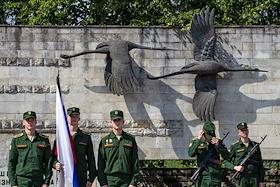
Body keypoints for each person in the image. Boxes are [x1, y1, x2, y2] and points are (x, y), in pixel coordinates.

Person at [52, 107, 97, 187]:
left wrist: (90, 179)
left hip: (81, 177)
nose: (74, 118)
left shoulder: (85, 137)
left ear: (79, 118)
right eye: (71, 116)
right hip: (65, 176)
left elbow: (91, 160)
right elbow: (53, 157)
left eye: (76, 116)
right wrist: (55, 164)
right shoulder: (61, 137)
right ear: (67, 118)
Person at [8, 111, 52, 187]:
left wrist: (46, 182)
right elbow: (11, 163)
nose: (30, 123)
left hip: (38, 181)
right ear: (23, 123)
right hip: (21, 181)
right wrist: (13, 183)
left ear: (36, 122)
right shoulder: (17, 140)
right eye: (27, 120)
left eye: (32, 120)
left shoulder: (44, 140)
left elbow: (48, 162)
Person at [98, 110, 140, 187]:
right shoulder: (104, 141)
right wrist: (103, 183)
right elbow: (100, 163)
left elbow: (135, 162)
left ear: (123, 121)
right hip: (110, 180)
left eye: (119, 120)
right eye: (115, 120)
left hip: (126, 181)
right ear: (111, 122)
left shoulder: (130, 140)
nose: (117, 122)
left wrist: (133, 182)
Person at [188, 121, 230, 187]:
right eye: (209, 136)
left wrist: (218, 145)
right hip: (203, 177)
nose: (211, 138)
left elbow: (227, 156)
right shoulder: (197, 142)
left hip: (215, 177)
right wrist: (198, 139)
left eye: (212, 136)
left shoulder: (218, 142)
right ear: (203, 133)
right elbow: (191, 154)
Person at [224, 122, 265, 187]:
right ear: (238, 132)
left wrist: (261, 181)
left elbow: (260, 164)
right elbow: (225, 162)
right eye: (242, 130)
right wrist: (235, 167)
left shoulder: (255, 145)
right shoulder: (234, 146)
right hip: (242, 178)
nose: (245, 132)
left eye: (246, 130)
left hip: (254, 178)